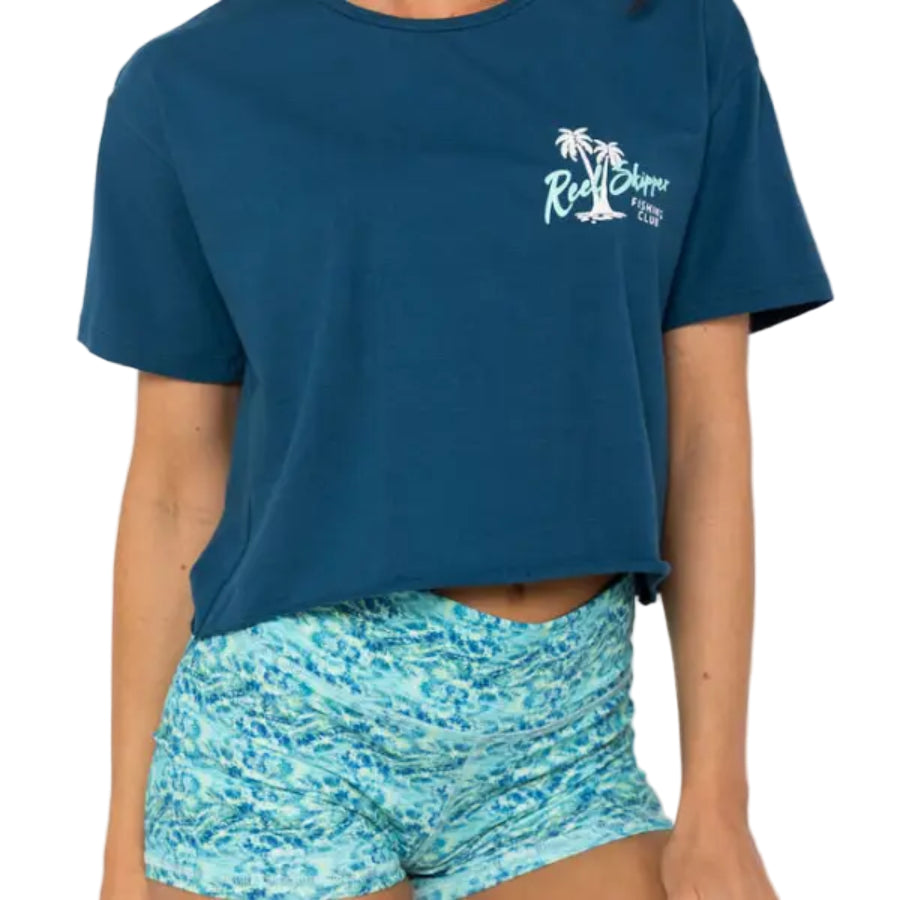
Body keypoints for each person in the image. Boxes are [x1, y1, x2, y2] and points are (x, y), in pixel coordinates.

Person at [78, 0, 833, 898]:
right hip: (288, 732)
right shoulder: (189, 85)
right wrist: (123, 853)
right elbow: (174, 485)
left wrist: (719, 801)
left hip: (567, 752)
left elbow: (707, 435)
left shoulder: (678, 35)